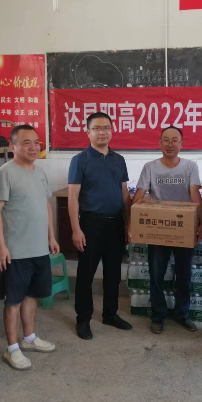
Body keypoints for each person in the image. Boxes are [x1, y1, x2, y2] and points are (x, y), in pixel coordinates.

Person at [0, 125, 60, 370]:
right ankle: (12, 349)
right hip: (16, 251)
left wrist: (51, 237)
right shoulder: (5, 173)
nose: (33, 147)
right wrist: (1, 247)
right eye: (26, 142)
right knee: (14, 300)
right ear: (13, 147)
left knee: (32, 296)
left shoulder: (39, 173)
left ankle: (29, 338)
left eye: (36, 142)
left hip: (39, 248)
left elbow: (46, 206)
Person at [132, 126, 202, 334]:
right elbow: (139, 195)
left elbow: (195, 196)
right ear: (160, 143)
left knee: (184, 275)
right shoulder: (150, 167)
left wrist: (200, 223)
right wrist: (133, 220)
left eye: (174, 140)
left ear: (182, 144)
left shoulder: (190, 166)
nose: (170, 144)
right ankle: (158, 315)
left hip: (183, 229)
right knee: (156, 275)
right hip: (158, 228)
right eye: (166, 140)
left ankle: (182, 314)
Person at [68, 112, 132, 340]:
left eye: (106, 127)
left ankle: (110, 314)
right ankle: (83, 318)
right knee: (86, 274)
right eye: (97, 128)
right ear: (88, 132)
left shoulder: (119, 160)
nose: (102, 132)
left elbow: (124, 194)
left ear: (112, 130)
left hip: (116, 223)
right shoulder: (80, 160)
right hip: (90, 224)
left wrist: (128, 224)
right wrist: (76, 229)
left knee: (113, 273)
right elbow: (73, 197)